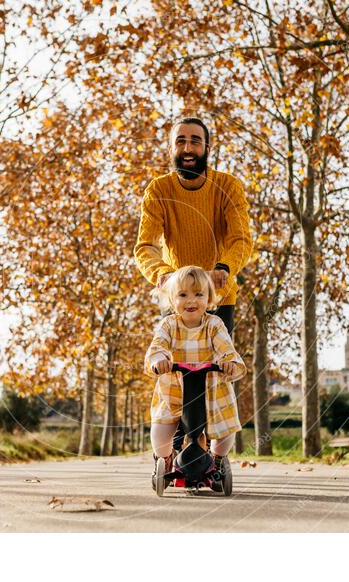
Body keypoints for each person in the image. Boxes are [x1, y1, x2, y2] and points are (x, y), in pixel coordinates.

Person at [134, 116, 252, 451]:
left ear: (207, 148)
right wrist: (163, 275)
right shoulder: (159, 189)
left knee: (214, 374)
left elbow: (240, 237)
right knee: (174, 376)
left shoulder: (228, 186)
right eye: (181, 141)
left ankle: (210, 449)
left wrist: (224, 267)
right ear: (171, 148)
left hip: (219, 297)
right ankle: (183, 444)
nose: (188, 148)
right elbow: (145, 245)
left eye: (195, 141)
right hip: (176, 296)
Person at [144, 266, 246, 487]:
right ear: (172, 300)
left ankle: (217, 460)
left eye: (199, 294)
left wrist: (229, 362)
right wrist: (158, 359)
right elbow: (158, 345)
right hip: (174, 390)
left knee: (226, 433)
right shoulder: (169, 325)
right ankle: (165, 458)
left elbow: (226, 349)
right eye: (183, 294)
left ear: (209, 298)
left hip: (211, 391)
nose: (191, 300)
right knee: (160, 435)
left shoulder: (214, 325)